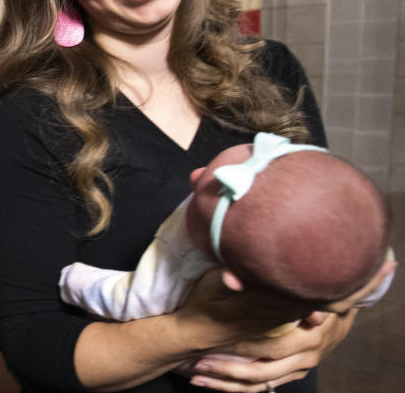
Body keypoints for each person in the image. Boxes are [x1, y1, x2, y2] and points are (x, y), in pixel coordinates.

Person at [0, 0, 393, 393]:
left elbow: (331, 246)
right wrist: (200, 328)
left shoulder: (273, 67)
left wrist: (330, 328)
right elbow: (32, 342)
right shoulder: (36, 114)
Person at [59, 132, 395, 327]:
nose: (194, 176)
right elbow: (367, 275)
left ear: (234, 279)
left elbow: (130, 299)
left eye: (203, 189)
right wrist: (364, 286)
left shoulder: (179, 261)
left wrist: (74, 281)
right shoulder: (357, 251)